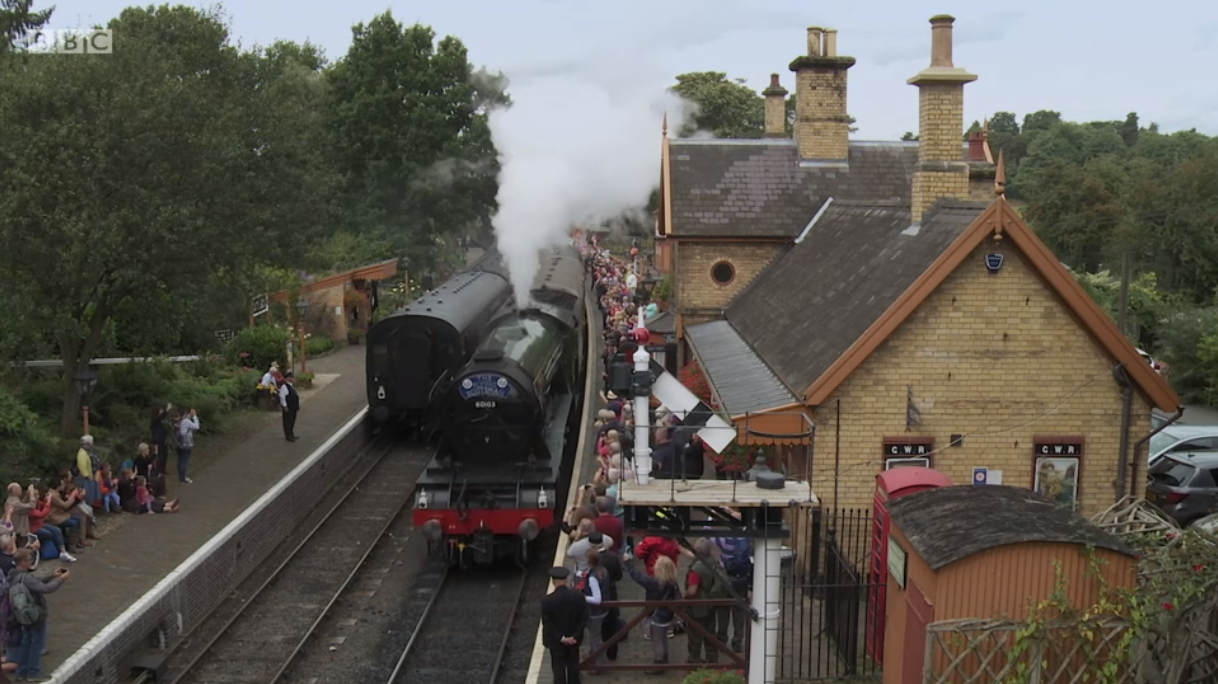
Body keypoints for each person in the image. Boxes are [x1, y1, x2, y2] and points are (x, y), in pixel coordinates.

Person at [7, 548, 68, 681]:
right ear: (23, 562)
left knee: (26, 642)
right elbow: (44, 588)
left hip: (22, 614)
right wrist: (61, 580)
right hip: (34, 614)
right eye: (30, 559)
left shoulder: (13, 575)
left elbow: (35, 581)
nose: (32, 561)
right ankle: (34, 672)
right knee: (36, 644)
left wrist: (51, 576)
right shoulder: (26, 577)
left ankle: (21, 672)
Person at [623, 554, 681, 674]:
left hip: (657, 615)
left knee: (657, 640)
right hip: (668, 614)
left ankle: (659, 664)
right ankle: (665, 660)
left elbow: (638, 577)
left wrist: (628, 563)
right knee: (664, 638)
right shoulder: (673, 582)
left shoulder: (655, 583)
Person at [541, 566, 588, 684]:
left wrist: (561, 638)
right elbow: (583, 618)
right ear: (566, 580)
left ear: (553, 581)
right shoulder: (578, 597)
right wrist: (575, 636)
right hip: (574, 640)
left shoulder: (547, 601)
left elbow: (548, 623)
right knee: (573, 664)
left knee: (558, 667)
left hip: (556, 641)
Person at [175, 408, 199, 484]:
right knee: (184, 461)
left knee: (180, 460)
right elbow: (196, 426)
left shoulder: (179, 421)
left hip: (179, 443)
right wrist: (194, 416)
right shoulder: (186, 421)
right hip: (186, 444)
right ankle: (183, 478)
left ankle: (181, 477)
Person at [279, 371, 301, 442]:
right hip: (288, 407)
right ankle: (288, 436)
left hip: (293, 407)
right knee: (288, 421)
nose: (293, 378)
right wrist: (285, 406)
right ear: (288, 378)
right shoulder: (284, 387)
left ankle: (291, 434)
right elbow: (282, 397)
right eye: (292, 377)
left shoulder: (291, 386)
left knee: (292, 421)